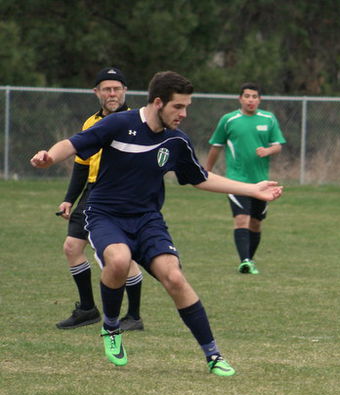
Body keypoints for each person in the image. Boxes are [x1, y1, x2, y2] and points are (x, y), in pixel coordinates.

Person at [31, 71, 283, 376]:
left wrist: (253, 188)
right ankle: (111, 327)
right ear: (158, 102)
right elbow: (71, 144)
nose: (184, 114)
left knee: (174, 278)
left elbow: (200, 178)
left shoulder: (177, 141)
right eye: (178, 107)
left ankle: (213, 355)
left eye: (187, 107)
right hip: (105, 215)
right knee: (120, 259)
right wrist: (49, 156)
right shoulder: (119, 123)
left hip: (148, 219)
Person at [56, 67, 145, 332]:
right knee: (72, 247)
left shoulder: (137, 120)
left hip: (122, 194)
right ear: (97, 92)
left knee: (120, 256)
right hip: (93, 192)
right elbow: (82, 164)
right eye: (106, 89)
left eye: (117, 88)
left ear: (125, 91)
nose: (112, 93)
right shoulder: (90, 123)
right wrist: (69, 199)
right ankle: (87, 309)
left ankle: (134, 316)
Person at [205, 82, 286, 274]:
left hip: (261, 181)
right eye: (247, 96)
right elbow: (216, 146)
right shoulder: (229, 120)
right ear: (240, 98)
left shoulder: (269, 119)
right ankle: (245, 261)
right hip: (236, 180)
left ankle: (250, 259)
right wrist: (206, 171)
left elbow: (278, 145)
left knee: (256, 223)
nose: (251, 100)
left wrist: (268, 150)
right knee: (242, 219)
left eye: (254, 96)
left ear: (260, 99)